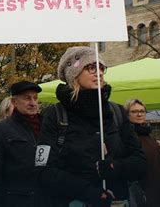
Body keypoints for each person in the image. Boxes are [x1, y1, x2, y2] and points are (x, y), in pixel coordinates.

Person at [37, 46, 146, 207]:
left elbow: (140, 161)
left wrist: (115, 167)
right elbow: (44, 171)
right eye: (90, 67)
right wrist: (89, 192)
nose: (99, 72)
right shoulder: (55, 115)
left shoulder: (116, 112)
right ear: (73, 74)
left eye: (102, 67)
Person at [0, 81, 43, 207]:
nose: (33, 103)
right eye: (27, 98)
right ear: (14, 102)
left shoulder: (47, 126)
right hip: (16, 199)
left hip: (46, 198)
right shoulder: (1, 130)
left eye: (35, 98)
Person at [125, 99, 160, 207]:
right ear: (127, 114)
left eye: (142, 111)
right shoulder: (126, 135)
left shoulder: (147, 133)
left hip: (156, 185)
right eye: (134, 111)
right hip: (140, 188)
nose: (139, 114)